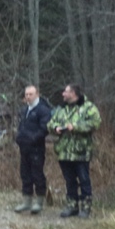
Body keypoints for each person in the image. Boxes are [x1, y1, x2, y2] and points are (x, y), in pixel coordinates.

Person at [47, 84, 101, 218]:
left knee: (84, 179)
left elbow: (96, 123)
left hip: (81, 151)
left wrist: (76, 127)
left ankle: (86, 208)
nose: (63, 94)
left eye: (65, 92)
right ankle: (72, 206)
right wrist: (56, 128)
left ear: (73, 93)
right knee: (69, 180)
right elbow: (50, 123)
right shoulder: (61, 109)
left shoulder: (88, 107)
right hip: (64, 151)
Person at [14, 85, 52, 214]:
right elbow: (20, 127)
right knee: (25, 174)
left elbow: (44, 130)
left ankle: (39, 202)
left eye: (30, 94)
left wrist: (32, 139)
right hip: (24, 148)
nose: (28, 97)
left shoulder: (43, 110)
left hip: (36, 148)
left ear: (37, 94)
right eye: (26, 94)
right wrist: (19, 137)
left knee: (37, 174)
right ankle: (26, 201)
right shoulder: (24, 110)